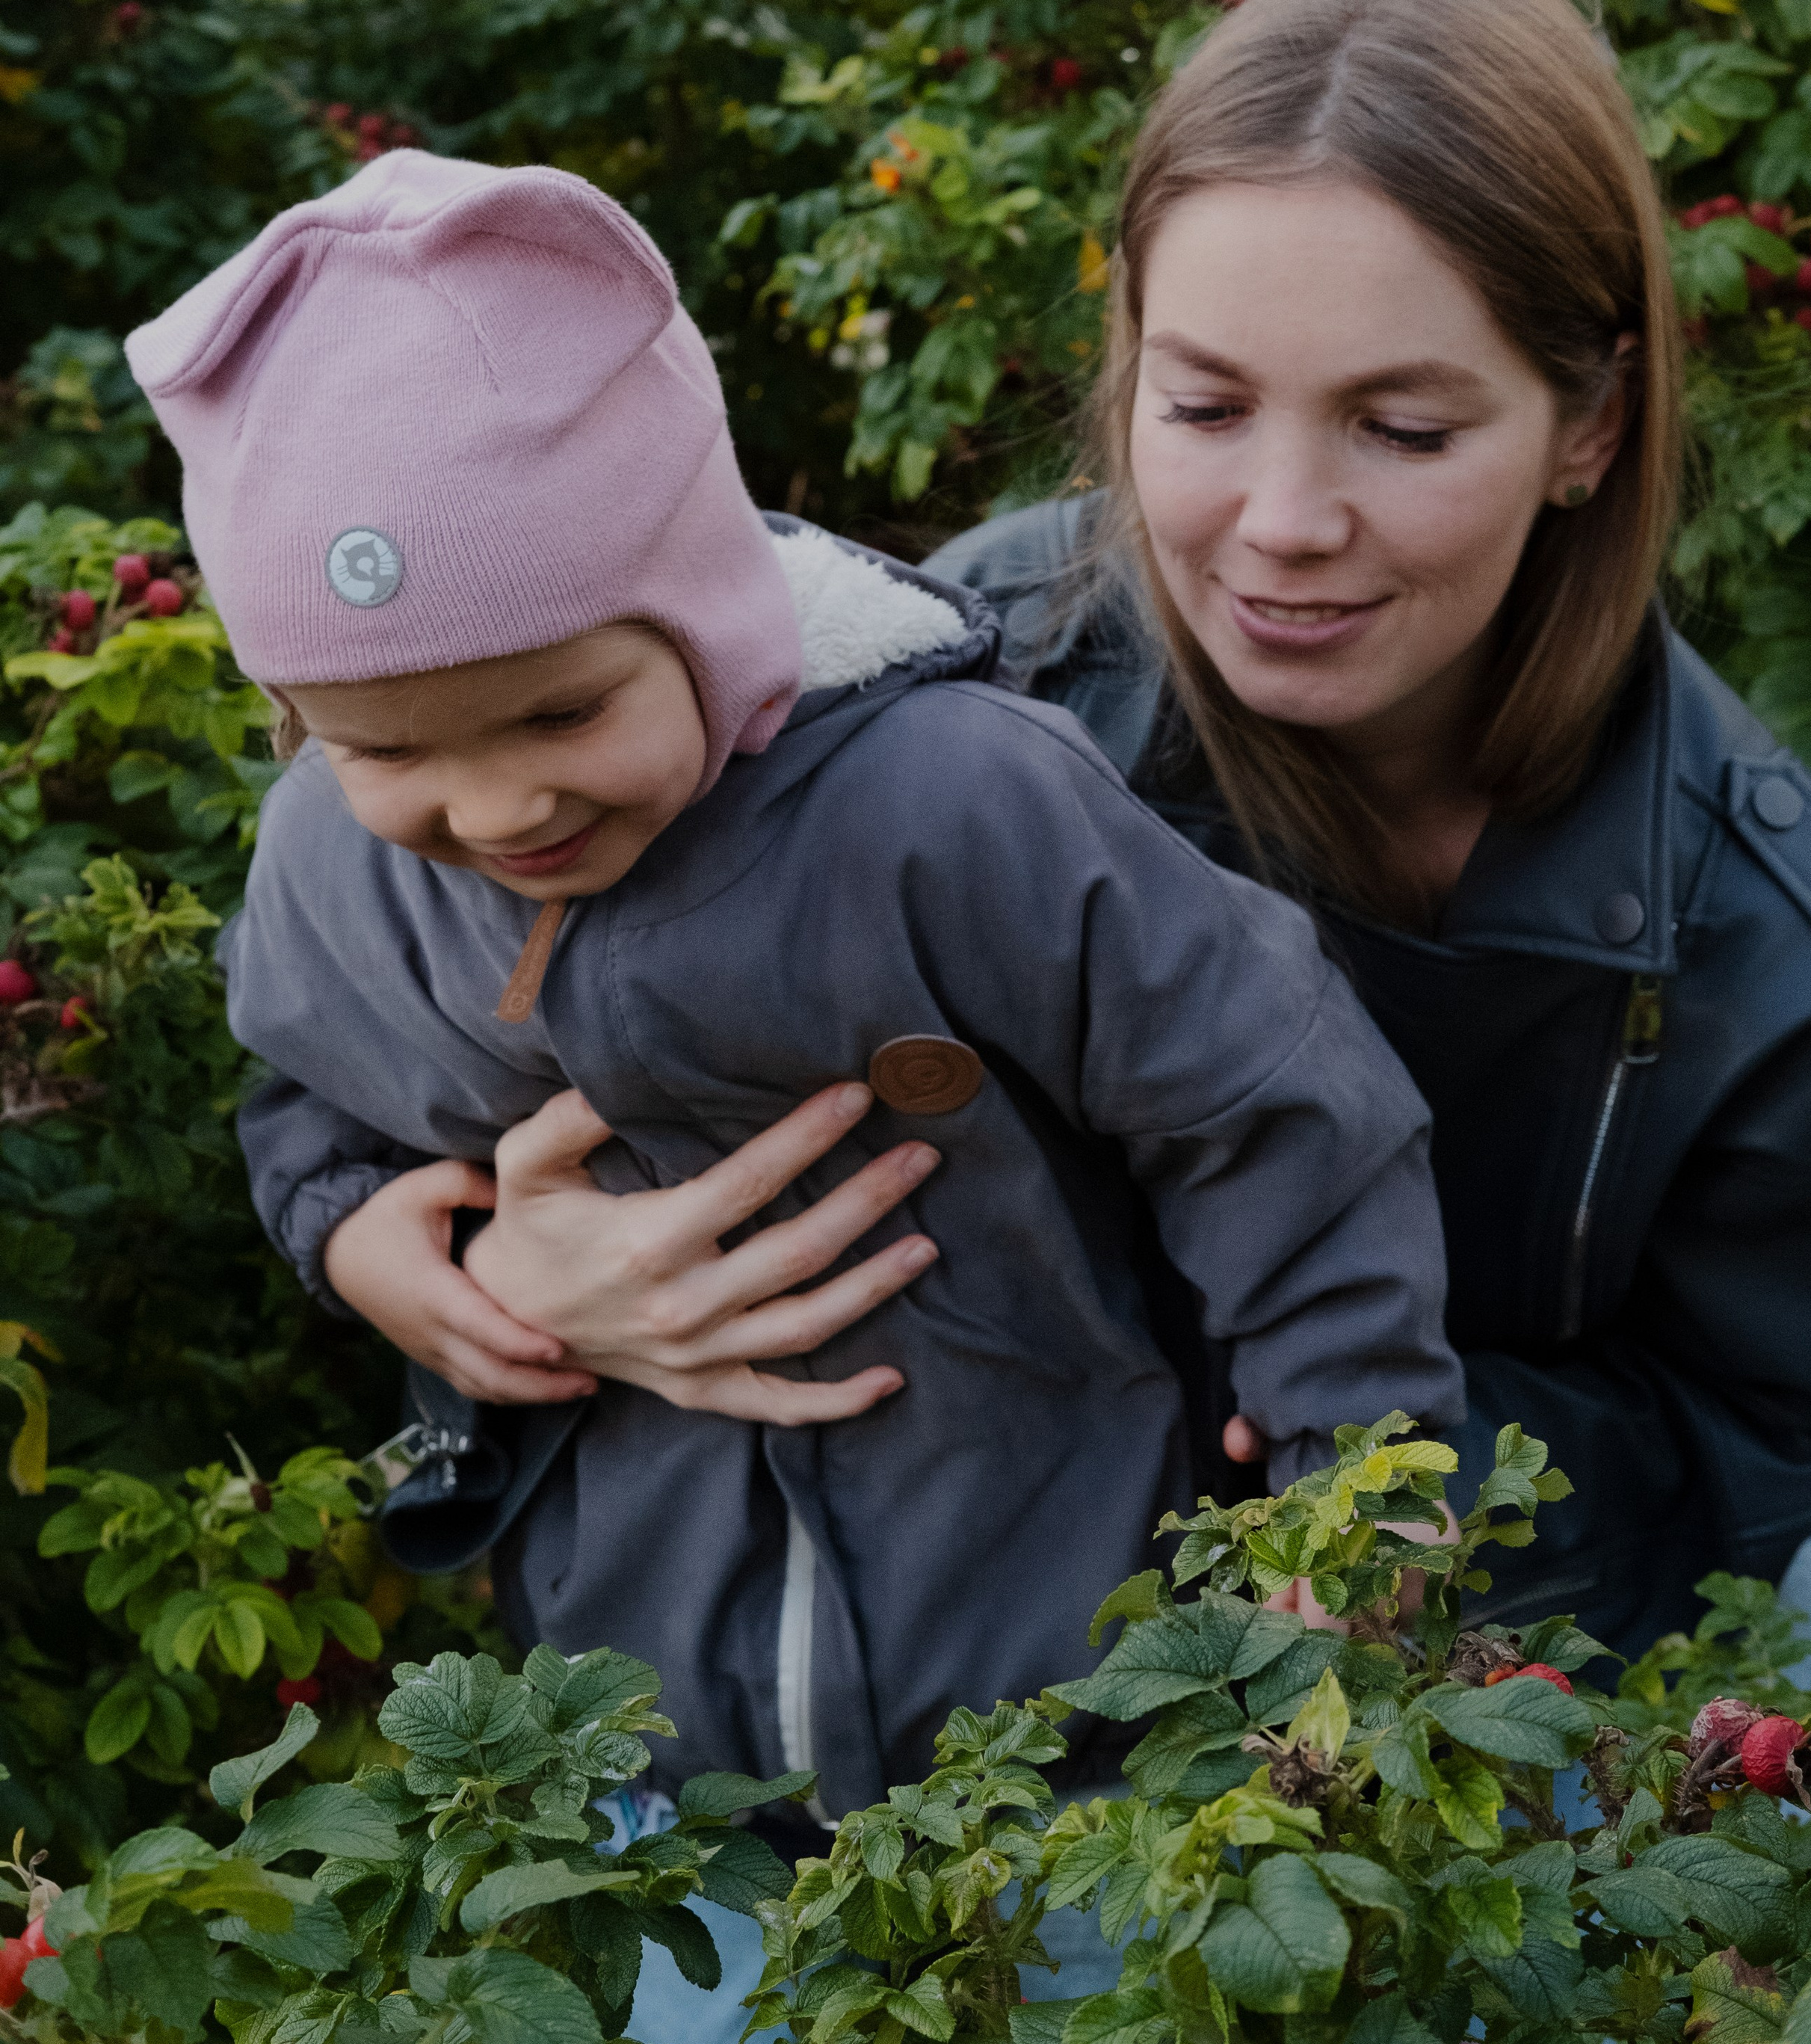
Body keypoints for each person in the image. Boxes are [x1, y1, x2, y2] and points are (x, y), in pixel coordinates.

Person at [126, 145, 1460, 1840]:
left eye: (559, 716)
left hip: (1079, 1729)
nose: (495, 810)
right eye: (386, 746)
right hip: (633, 1759)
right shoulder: (338, 858)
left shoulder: (945, 807)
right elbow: (310, 1078)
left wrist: (1359, 1481)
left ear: (698, 609)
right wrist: (363, 1226)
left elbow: (1268, 1102)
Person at [929, 0, 1811, 1663]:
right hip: (943, 1701)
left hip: (1482, 1704)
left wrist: (1433, 1478)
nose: (1285, 521)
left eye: (1402, 430)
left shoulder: (1781, 967)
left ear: (1585, 428)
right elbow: (544, 923)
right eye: (1206, 404)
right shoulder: (958, 700)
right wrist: (462, 1245)